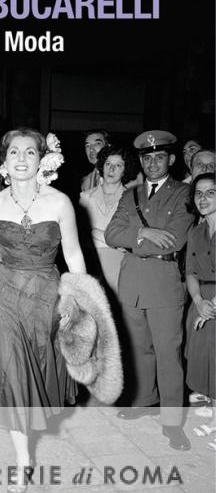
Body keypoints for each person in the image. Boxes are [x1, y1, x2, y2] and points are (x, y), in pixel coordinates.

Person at [0, 128, 86, 493]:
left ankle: (28, 438)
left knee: (38, 370)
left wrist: (78, 299)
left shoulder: (60, 203)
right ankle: (22, 459)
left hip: (46, 296)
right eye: (13, 151)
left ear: (40, 159)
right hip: (3, 295)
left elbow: (74, 255)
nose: (20, 158)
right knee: (13, 369)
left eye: (29, 152)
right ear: (4, 160)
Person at [105, 130, 194, 451]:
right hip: (132, 282)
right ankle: (144, 400)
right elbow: (111, 234)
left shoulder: (184, 193)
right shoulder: (130, 195)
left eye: (159, 157)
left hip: (164, 282)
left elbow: (174, 240)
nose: (152, 163)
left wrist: (133, 238)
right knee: (138, 348)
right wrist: (144, 230)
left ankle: (172, 423)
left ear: (171, 159)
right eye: (147, 158)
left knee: (169, 354)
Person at [184, 173, 216, 450]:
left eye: (210, 193)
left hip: (213, 303)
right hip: (201, 302)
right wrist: (198, 302)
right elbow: (190, 273)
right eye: (198, 193)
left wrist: (211, 305)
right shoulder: (195, 232)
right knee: (206, 365)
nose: (203, 199)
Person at [80, 146, 138, 292]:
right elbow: (79, 234)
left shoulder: (132, 199)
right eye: (108, 164)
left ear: (125, 170)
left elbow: (130, 240)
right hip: (90, 261)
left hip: (119, 264)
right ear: (102, 166)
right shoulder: (85, 197)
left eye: (118, 165)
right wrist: (112, 240)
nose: (111, 169)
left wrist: (93, 232)